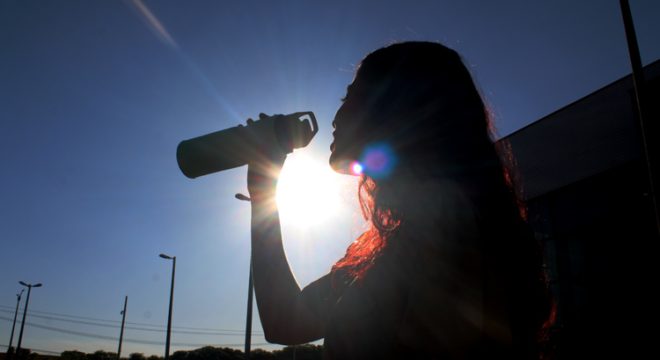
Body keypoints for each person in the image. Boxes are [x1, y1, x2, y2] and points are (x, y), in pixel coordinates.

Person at [246, 41, 552, 359]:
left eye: (350, 98)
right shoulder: (390, 246)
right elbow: (285, 321)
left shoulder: (448, 226)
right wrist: (263, 193)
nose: (335, 117)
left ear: (397, 108)